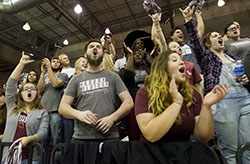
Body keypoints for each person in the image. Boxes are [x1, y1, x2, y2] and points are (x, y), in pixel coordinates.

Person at [181, 5, 250, 164]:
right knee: (231, 149)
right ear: (208, 43)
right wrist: (188, 19)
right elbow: (196, 43)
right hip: (223, 104)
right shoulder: (207, 59)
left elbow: (241, 77)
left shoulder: (233, 57)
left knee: (247, 146)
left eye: (220, 35)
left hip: (245, 99)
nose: (219, 36)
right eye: (214, 35)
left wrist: (246, 80)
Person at [135, 50, 227, 143]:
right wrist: (176, 103)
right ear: (162, 69)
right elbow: (151, 135)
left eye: (181, 59)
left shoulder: (192, 94)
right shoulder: (145, 93)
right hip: (153, 153)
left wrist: (206, 106)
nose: (182, 62)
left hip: (183, 152)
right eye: (174, 60)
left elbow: (203, 137)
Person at [59, 40, 133, 142]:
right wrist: (79, 114)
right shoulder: (76, 79)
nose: (95, 48)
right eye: (91, 46)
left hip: (110, 137)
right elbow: (63, 107)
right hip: (82, 137)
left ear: (103, 54)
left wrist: (112, 118)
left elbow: (128, 102)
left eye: (98, 47)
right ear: (85, 55)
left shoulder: (113, 77)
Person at [1, 52, 49, 164]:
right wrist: (21, 64)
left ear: (37, 94)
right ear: (21, 94)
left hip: (31, 158)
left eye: (33, 89)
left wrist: (29, 139)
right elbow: (11, 84)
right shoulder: (12, 107)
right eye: (26, 88)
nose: (29, 90)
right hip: (9, 156)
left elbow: (43, 132)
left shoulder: (42, 112)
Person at [37, 57, 68, 145]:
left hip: (55, 111)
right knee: (42, 140)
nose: (55, 63)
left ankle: (54, 159)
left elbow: (55, 84)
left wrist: (49, 68)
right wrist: (43, 73)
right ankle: (43, 158)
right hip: (42, 110)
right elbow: (39, 90)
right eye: (53, 62)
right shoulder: (46, 76)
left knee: (55, 140)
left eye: (57, 62)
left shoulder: (63, 75)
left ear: (60, 65)